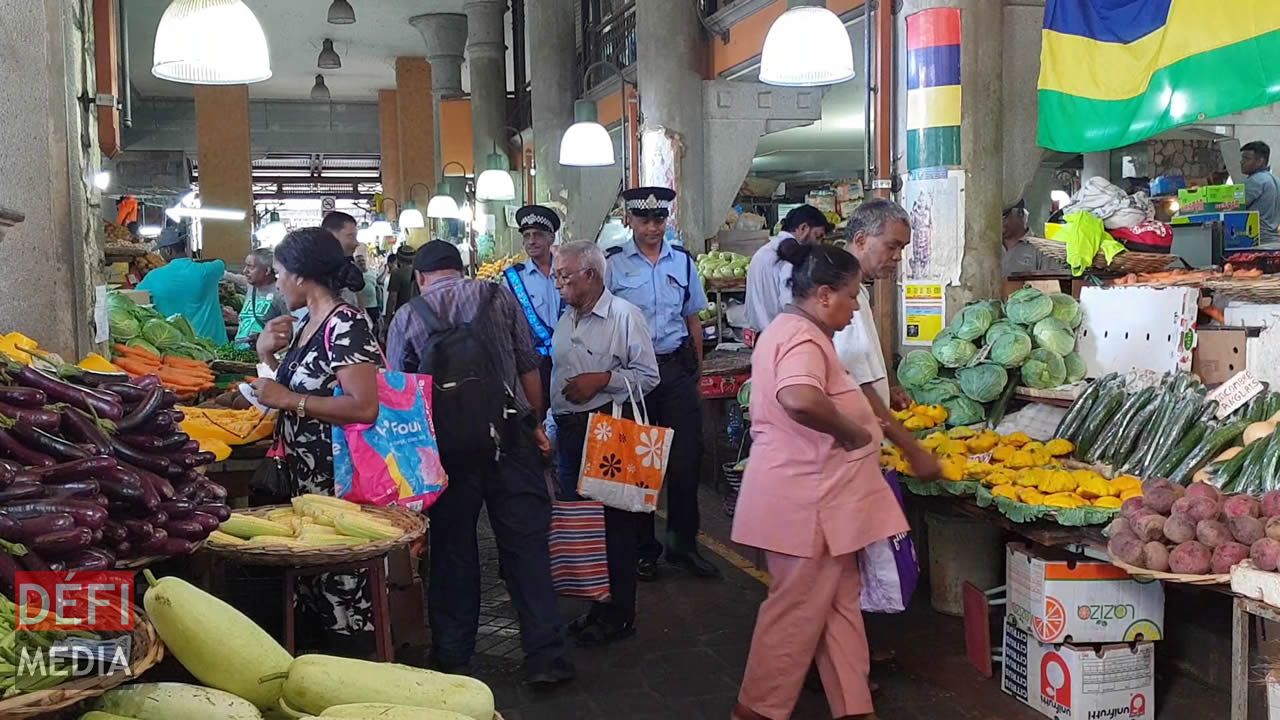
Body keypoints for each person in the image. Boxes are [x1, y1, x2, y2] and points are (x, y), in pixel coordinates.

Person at [385, 240, 574, 686]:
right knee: (527, 549)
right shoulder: (497, 295)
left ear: (421, 277)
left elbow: (399, 396)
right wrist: (536, 423)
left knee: (452, 552)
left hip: (446, 454)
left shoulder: (408, 316)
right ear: (462, 268)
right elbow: (529, 365)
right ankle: (547, 657)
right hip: (509, 441)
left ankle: (454, 657)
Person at [731, 240, 904, 720]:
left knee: (836, 607)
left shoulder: (792, 331)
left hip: (818, 504)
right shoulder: (803, 339)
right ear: (825, 294)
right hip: (805, 505)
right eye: (853, 295)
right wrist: (852, 434)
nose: (856, 307)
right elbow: (799, 398)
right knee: (795, 616)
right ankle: (757, 711)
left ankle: (854, 708)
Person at [249, 227, 381, 653]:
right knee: (313, 583)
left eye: (281, 272)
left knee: (340, 585)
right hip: (305, 484)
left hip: (336, 483)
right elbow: (298, 388)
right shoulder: (308, 325)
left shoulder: (346, 324)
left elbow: (364, 406)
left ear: (302, 277)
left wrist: (290, 399)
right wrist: (266, 353)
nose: (277, 280)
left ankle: (356, 673)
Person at [549, 241, 659, 646]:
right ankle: (597, 603)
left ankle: (621, 613)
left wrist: (602, 380)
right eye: (557, 275)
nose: (557, 282)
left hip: (610, 431)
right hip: (571, 431)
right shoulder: (566, 318)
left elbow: (649, 376)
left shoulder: (624, 316)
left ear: (591, 276)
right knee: (587, 526)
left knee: (617, 526)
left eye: (565, 275)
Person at [606, 186, 719, 580]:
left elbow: (693, 320)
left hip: (674, 371)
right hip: (633, 375)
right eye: (644, 220)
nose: (652, 227)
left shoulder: (683, 263)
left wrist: (696, 371)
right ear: (629, 220)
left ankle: (683, 547)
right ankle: (643, 550)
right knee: (638, 465)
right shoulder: (613, 265)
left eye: (659, 219)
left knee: (686, 461)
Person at [746, 204, 833, 333]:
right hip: (781, 336)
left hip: (760, 336)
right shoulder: (791, 255)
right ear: (803, 228)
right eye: (817, 237)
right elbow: (791, 306)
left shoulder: (763, 252)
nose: (819, 244)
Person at [138, 223, 229, 344]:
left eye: (161, 250)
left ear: (168, 250)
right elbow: (221, 262)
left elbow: (136, 298)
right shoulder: (206, 271)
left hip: (178, 347)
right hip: (215, 345)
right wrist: (197, 262)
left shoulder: (153, 277)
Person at [505, 205, 563, 393]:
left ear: (551, 238)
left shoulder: (568, 270)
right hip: (532, 365)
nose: (531, 241)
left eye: (537, 235)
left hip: (571, 359)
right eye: (527, 235)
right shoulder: (512, 278)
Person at [232, 248, 286, 349]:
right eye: (245, 266)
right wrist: (236, 319)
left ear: (267, 270)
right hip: (239, 354)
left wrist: (264, 338)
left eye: (250, 267)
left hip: (264, 358)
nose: (245, 271)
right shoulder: (251, 288)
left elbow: (293, 330)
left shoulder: (281, 293)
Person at [1001, 199, 1064, 277]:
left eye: (1003, 216)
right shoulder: (987, 248)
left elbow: (1052, 285)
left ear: (1020, 213)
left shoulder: (1042, 250)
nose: (997, 221)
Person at [321, 211, 366, 307]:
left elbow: (360, 310)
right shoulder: (313, 278)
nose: (356, 243)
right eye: (350, 236)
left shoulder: (349, 270)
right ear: (330, 236)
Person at [1241, 141, 1280, 245]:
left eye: (1246, 158)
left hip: (1257, 241)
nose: (1241, 162)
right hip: (1274, 241)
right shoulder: (1276, 180)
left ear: (1260, 161)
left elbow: (1235, 207)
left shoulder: (1255, 181)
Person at [383, 244, 420, 333]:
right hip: (420, 314)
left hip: (403, 315)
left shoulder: (397, 274)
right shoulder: (420, 271)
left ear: (398, 259)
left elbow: (392, 299)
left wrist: (387, 323)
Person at [353, 250, 382, 329]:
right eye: (358, 261)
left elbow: (377, 289)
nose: (361, 262)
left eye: (362, 260)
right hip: (361, 308)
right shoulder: (353, 276)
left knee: (376, 329)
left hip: (373, 307)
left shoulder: (372, 273)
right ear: (355, 263)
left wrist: (379, 305)